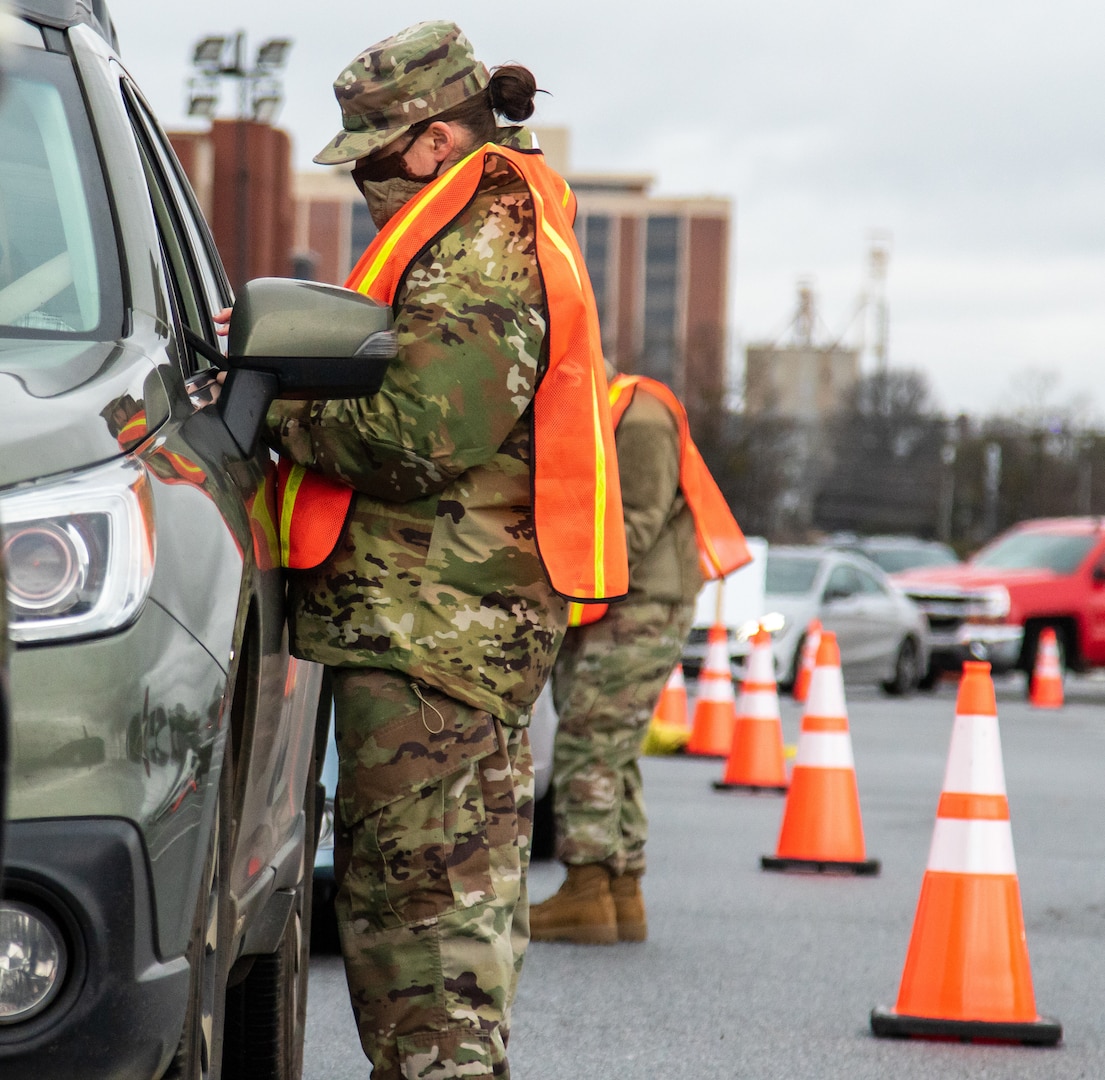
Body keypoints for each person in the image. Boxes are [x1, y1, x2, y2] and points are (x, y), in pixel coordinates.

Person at [262, 21, 626, 1080]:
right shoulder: (481, 223)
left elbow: (422, 434)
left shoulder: (480, 239)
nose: (364, 180)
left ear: (427, 142)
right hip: (445, 625)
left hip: (437, 628)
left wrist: (276, 414)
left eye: (370, 155)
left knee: (419, 915)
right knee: (443, 904)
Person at [529, 370, 749, 944]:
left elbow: (634, 524)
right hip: (625, 600)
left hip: (640, 601)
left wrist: (558, 579)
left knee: (589, 739)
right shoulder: (611, 407)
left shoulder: (641, 411)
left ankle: (586, 889)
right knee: (613, 746)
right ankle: (618, 893)